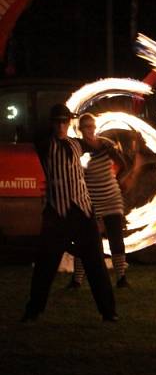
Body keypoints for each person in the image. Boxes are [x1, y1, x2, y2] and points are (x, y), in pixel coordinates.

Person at [21, 104, 117, 322]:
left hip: (83, 211)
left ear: (70, 123)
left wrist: (99, 139)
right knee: (45, 264)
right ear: (52, 123)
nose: (61, 126)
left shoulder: (77, 143)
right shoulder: (45, 145)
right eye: (57, 122)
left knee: (95, 263)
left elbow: (101, 145)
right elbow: (38, 132)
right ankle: (33, 310)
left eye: (65, 121)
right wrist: (53, 124)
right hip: (57, 213)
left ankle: (109, 312)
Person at [69, 113, 129, 289]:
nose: (91, 129)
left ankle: (121, 278)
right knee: (85, 240)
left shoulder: (105, 144)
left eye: (93, 126)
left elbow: (124, 163)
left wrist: (115, 180)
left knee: (116, 238)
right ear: (80, 129)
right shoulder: (78, 147)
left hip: (112, 198)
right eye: (87, 126)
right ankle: (77, 280)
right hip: (91, 200)